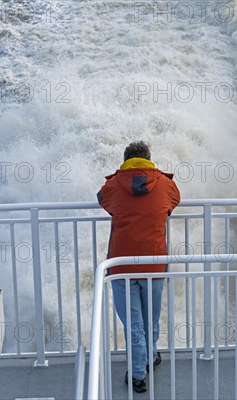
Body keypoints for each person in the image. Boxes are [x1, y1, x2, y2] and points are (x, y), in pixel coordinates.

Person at [97, 141, 180, 392]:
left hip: (122, 265)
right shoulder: (166, 185)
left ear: (125, 160)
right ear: (148, 159)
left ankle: (137, 375)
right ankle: (151, 355)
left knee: (133, 322)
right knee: (151, 317)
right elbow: (174, 202)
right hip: (154, 264)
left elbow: (103, 200)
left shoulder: (112, 186)